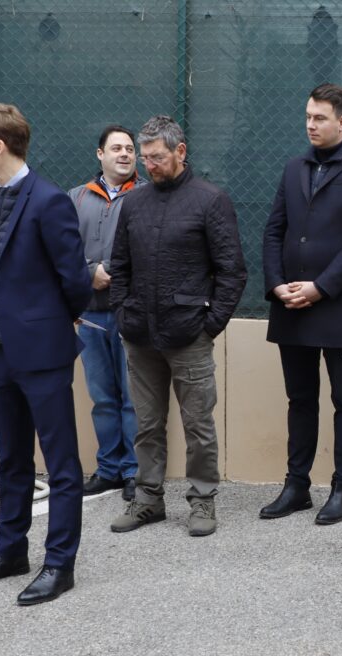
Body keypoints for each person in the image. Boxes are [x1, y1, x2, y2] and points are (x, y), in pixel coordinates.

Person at [0, 103, 92, 605]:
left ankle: (60, 564)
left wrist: (49, 323)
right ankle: (10, 551)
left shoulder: (50, 201)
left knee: (61, 464)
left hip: (43, 353)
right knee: (11, 459)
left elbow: (76, 281)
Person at [108, 115, 246, 537]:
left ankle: (203, 501)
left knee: (198, 425)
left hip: (189, 336)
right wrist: (123, 313)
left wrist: (209, 327)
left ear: (180, 151)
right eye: (145, 158)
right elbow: (120, 266)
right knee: (147, 424)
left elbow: (232, 271)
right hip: (140, 334)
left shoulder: (210, 200)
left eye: (157, 157)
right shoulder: (134, 203)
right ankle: (148, 500)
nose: (149, 165)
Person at [260, 83, 342, 525]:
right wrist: (276, 285)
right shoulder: (294, 167)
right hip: (291, 304)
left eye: (319, 118)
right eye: (308, 117)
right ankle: (296, 485)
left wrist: (321, 287)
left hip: (340, 304)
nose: (311, 125)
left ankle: (341, 488)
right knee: (299, 399)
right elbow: (274, 230)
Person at [68, 125, 144, 502]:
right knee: (102, 397)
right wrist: (89, 274)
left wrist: (109, 270)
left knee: (133, 398)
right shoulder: (76, 198)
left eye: (129, 148)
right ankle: (109, 468)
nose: (124, 154)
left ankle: (134, 471)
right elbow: (61, 251)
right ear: (100, 154)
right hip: (89, 316)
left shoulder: (147, 196)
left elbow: (151, 251)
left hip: (131, 314)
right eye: (116, 148)